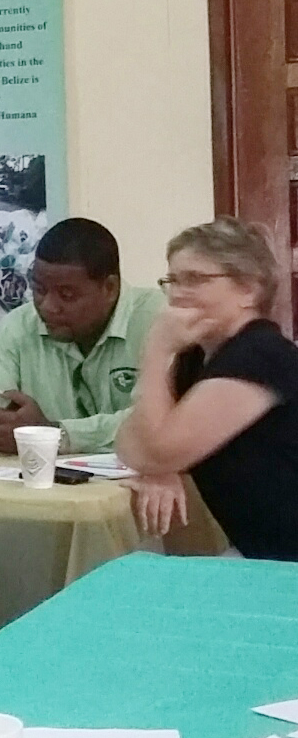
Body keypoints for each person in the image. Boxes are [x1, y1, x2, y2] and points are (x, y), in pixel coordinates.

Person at [118, 218, 298, 555]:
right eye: (172, 280)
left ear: (249, 289)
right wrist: (164, 465)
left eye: (195, 279)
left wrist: (155, 352)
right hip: (264, 554)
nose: (177, 293)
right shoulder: (196, 357)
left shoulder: (259, 354)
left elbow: (156, 451)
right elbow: (129, 442)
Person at [0, 219, 163, 454]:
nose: (47, 306)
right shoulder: (21, 325)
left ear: (110, 288)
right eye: (39, 290)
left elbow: (162, 421)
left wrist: (54, 434)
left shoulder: (158, 321)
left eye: (66, 295)